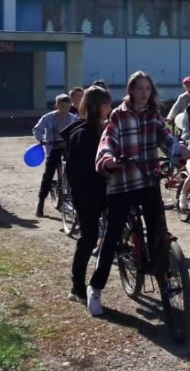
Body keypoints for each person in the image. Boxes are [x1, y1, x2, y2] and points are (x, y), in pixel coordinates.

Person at [87, 71, 189, 316]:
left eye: (147, 88)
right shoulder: (118, 115)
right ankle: (95, 288)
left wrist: (180, 149)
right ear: (131, 90)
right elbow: (107, 141)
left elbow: (165, 137)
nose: (144, 92)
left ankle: (163, 273)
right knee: (111, 237)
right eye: (139, 88)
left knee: (158, 231)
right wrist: (108, 159)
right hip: (122, 183)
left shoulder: (153, 115)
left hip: (147, 180)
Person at [60, 86, 112, 303]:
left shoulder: (107, 129)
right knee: (89, 239)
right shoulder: (82, 134)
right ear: (95, 106)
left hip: (108, 190)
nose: (110, 107)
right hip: (87, 194)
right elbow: (76, 171)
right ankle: (77, 287)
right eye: (106, 104)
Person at [33, 94, 78, 217]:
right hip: (53, 148)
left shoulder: (73, 118)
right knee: (48, 173)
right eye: (62, 106)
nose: (65, 109)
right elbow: (37, 130)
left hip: (67, 148)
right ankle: (41, 201)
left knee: (75, 171)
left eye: (67, 106)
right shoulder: (48, 118)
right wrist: (41, 139)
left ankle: (73, 199)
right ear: (56, 105)